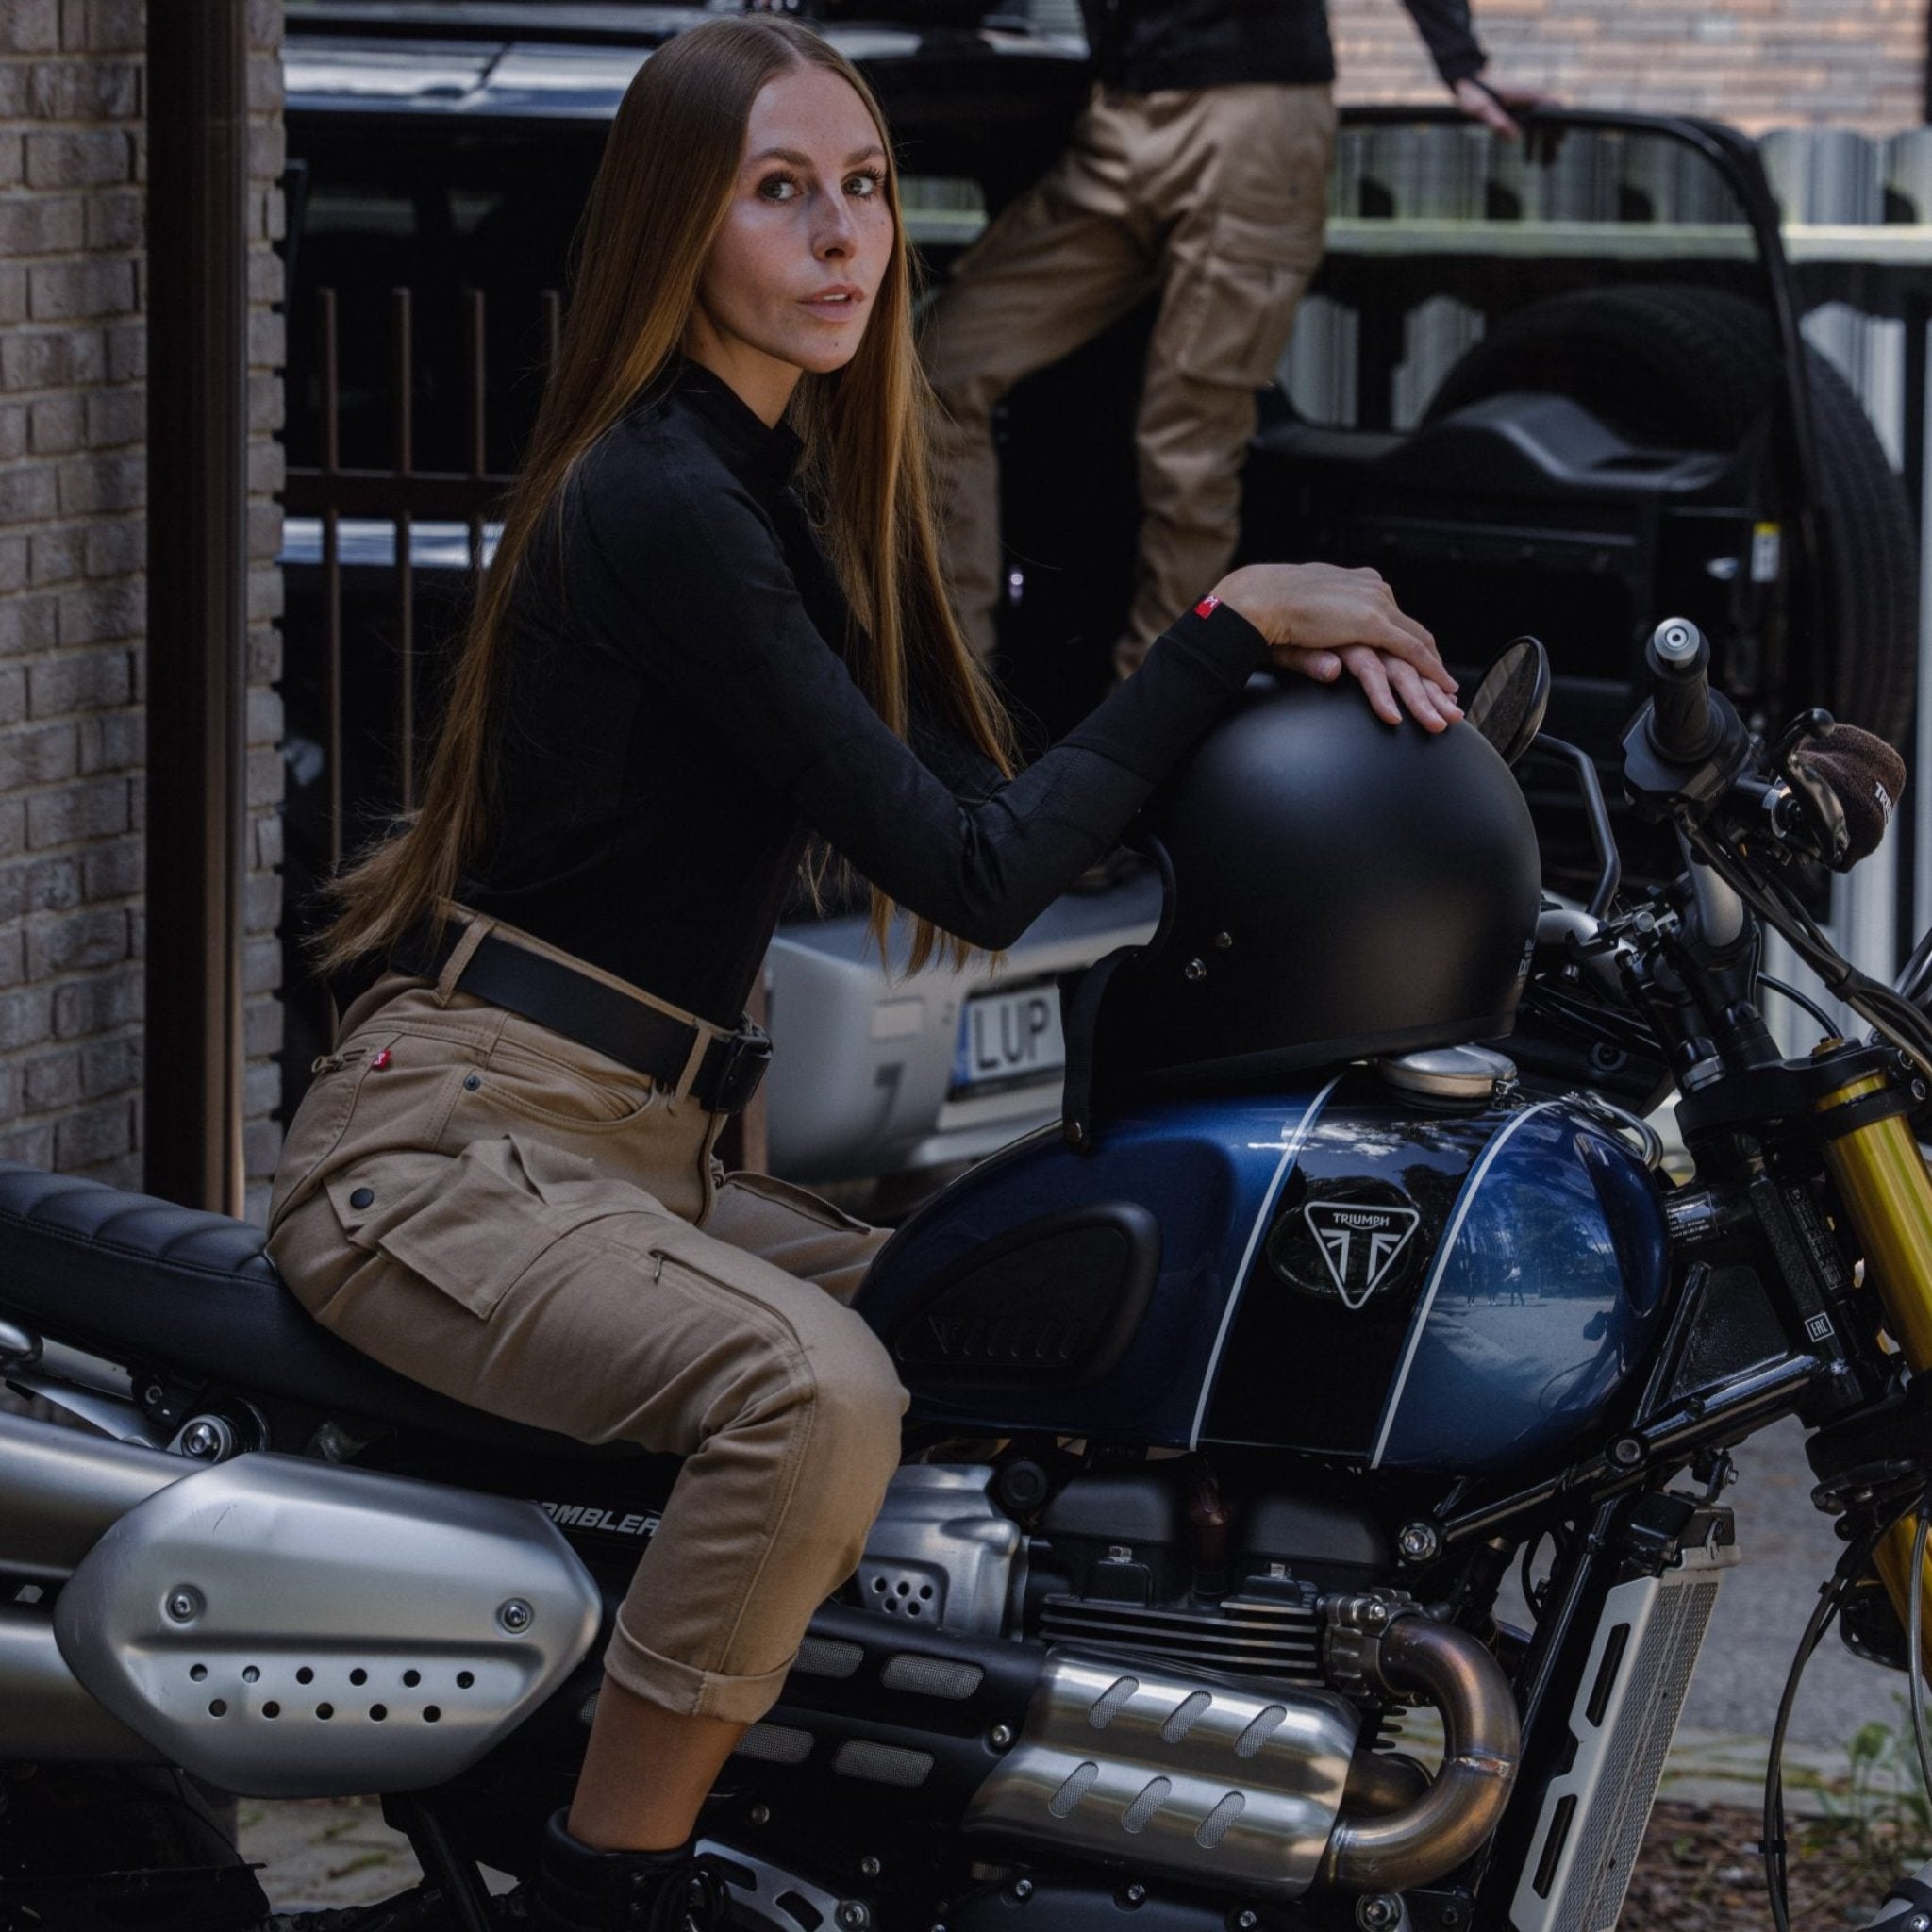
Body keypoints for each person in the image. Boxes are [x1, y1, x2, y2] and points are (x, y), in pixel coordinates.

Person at [265, 19, 1460, 1932]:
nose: (842, 240)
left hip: (634, 1155)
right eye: (780, 191)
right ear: (682, 226)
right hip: (452, 1148)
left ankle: (933, 1814)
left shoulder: (763, 494)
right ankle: (609, 1885)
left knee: (1025, 1310)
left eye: (870, 191)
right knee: (811, 1394)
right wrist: (1229, 627)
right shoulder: (663, 500)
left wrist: (1279, 773)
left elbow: (1005, 815)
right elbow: (973, 873)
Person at [924, 0, 1547, 678]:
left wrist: (1459, 61)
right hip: (1121, 113)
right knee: (939, 364)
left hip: (1255, 112)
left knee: (1187, 451)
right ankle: (956, 692)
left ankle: (1144, 731)